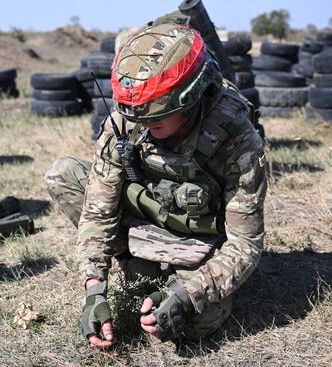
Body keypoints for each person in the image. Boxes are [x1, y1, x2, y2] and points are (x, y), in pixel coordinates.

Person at [44, 23, 267, 348]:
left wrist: (187, 295)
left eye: (156, 112)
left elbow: (245, 244)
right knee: (63, 173)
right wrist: (94, 290)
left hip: (202, 242)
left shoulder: (236, 139)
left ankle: (170, 279)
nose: (143, 121)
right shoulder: (126, 121)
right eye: (136, 113)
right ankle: (136, 264)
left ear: (190, 96)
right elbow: (97, 213)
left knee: (194, 325)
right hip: (145, 221)